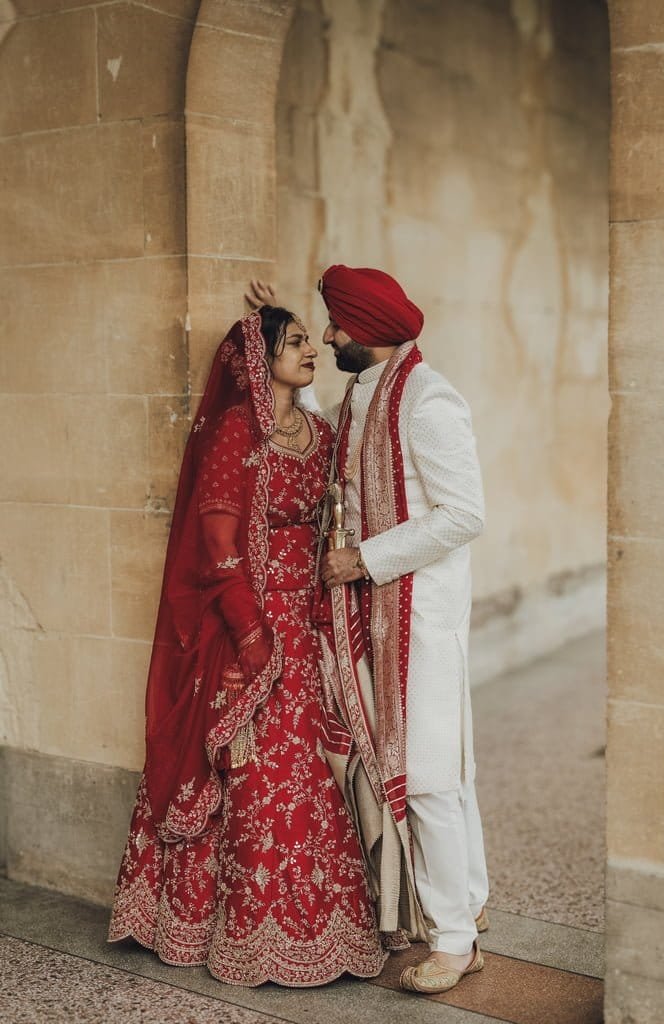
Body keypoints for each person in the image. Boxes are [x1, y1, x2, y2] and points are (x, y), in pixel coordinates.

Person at [108, 307, 386, 987]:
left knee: (315, 767)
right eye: (293, 342)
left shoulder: (316, 434)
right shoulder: (239, 433)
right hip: (248, 633)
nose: (308, 349)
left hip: (308, 618)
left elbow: (332, 523)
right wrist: (254, 637)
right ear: (262, 361)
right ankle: (244, 932)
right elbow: (218, 547)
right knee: (260, 773)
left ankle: (322, 926)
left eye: (306, 340)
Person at [248, 270, 489, 996]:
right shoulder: (367, 392)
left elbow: (465, 514)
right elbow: (337, 444)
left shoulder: (428, 401)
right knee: (429, 775)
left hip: (417, 617)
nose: (327, 337)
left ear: (369, 329)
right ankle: (463, 920)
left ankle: (452, 941)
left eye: (334, 327)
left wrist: (363, 559)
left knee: (431, 781)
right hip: (378, 614)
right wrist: (273, 326)